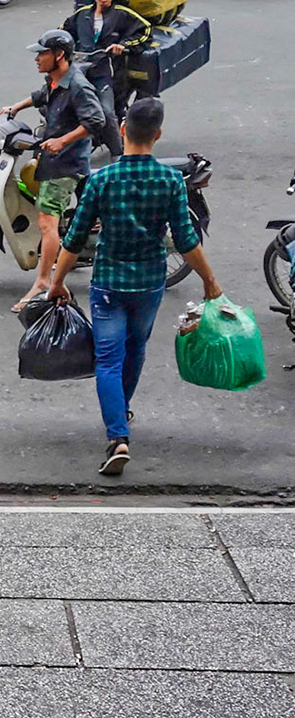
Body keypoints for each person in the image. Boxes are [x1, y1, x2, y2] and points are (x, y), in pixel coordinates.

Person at [47, 97, 223, 476]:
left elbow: (75, 239)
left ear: (123, 130)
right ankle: (120, 413)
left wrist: (55, 282)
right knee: (136, 348)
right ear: (158, 135)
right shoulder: (171, 181)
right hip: (149, 283)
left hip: (108, 282)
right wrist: (210, 282)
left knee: (108, 359)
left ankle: (118, 436)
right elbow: (187, 240)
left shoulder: (100, 180)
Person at [0, 30, 107, 313]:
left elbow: (96, 119)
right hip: (51, 159)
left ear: (59, 56)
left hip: (66, 164)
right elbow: (42, 95)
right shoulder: (56, 80)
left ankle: (44, 281)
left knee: (47, 223)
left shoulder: (78, 86)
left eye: (42, 53)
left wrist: (62, 140)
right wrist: (15, 107)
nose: (37, 58)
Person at [63, 0, 150, 158]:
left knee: (107, 113)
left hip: (106, 73)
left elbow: (145, 31)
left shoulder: (122, 14)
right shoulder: (81, 15)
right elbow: (63, 35)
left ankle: (120, 156)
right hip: (79, 72)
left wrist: (123, 45)